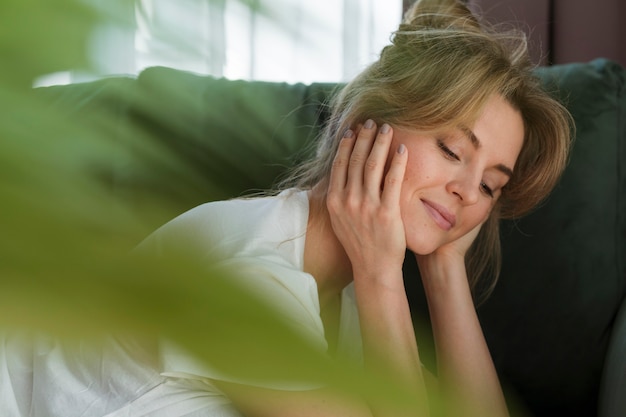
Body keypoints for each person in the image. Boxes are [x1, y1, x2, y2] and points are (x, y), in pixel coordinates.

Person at [0, 0, 572, 416]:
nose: (470, 193)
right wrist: (379, 275)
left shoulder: (340, 296)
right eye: (452, 150)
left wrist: (444, 270)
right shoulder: (257, 273)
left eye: (492, 186)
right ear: (362, 128)